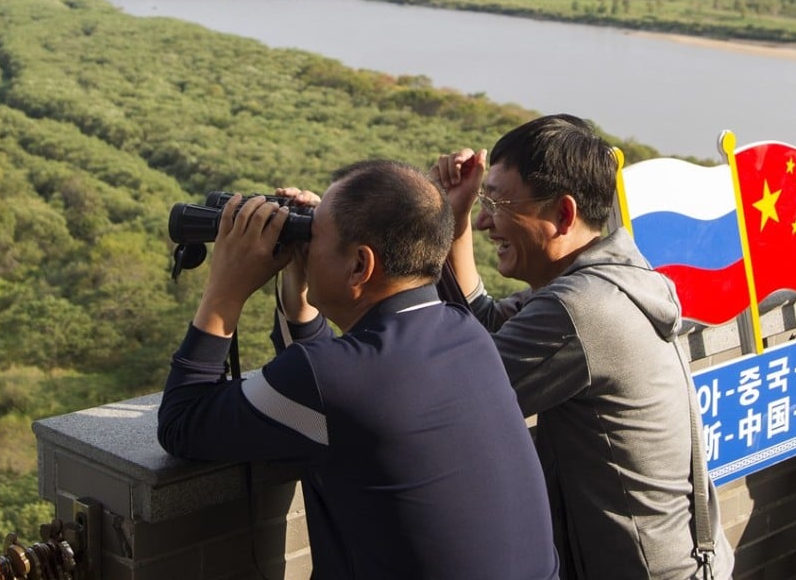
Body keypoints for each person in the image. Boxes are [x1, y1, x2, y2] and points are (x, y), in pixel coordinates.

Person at [158, 159, 559, 580]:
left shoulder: (331, 379)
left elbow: (181, 423)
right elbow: (329, 382)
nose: (306, 246)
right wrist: (299, 290)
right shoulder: (466, 332)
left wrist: (225, 288)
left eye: (314, 236)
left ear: (360, 266)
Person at [430, 114, 734, 580]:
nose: (486, 218)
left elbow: (456, 393)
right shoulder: (611, 277)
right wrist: (457, 215)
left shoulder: (583, 309)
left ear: (563, 215)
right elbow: (490, 329)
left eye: (498, 201)